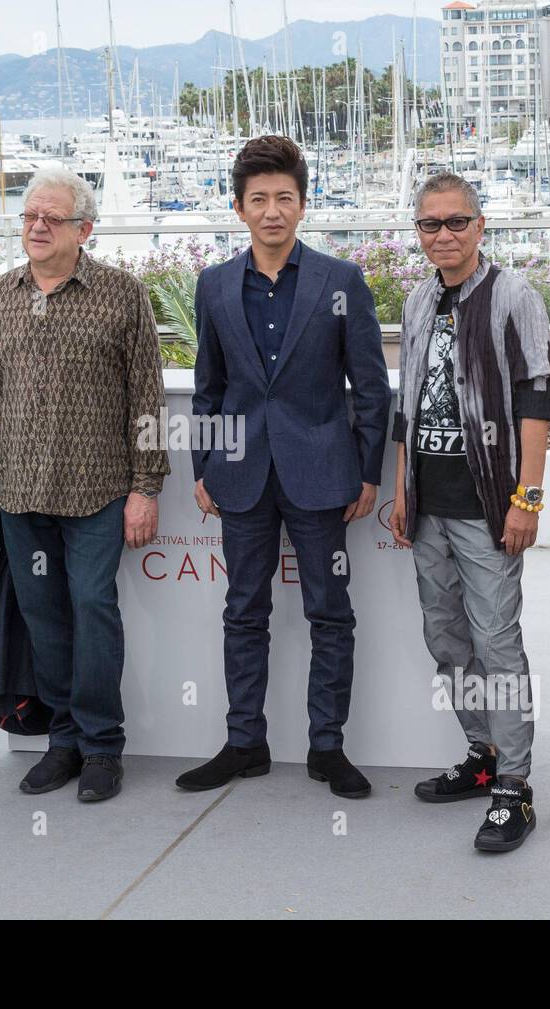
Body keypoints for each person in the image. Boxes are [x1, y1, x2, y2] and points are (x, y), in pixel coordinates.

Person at [178, 134, 391, 798]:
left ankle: (327, 746)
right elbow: (207, 385)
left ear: (304, 204)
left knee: (330, 610)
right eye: (259, 199)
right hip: (239, 475)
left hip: (323, 472)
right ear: (239, 207)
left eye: (285, 198)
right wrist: (203, 466)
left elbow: (372, 384)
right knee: (243, 610)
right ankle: (246, 741)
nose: (272, 210)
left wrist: (368, 470)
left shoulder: (341, 280)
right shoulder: (214, 285)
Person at [0, 168, 170, 803]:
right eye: (30, 216)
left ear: (84, 229)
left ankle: (102, 746)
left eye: (52, 218)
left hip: (98, 489)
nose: (37, 227)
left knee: (93, 609)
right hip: (19, 492)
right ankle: (61, 741)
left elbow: (147, 398)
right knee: (44, 617)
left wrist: (146, 487)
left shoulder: (123, 294)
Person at [388, 171, 550, 853]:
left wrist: (529, 496)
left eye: (457, 222)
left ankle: (514, 784)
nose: (444, 235)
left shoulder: (515, 296)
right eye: (431, 224)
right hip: (429, 502)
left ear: (480, 226)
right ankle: (481, 749)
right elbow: (407, 404)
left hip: (490, 503)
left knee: (496, 642)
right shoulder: (417, 299)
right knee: (447, 640)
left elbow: (537, 399)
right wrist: (402, 487)